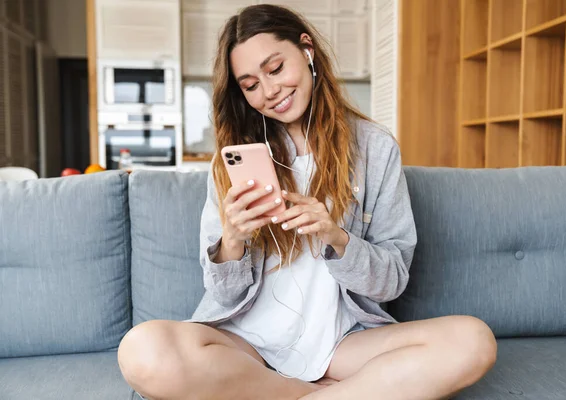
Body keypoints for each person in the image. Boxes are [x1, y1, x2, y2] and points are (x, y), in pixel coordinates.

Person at [117, 4, 497, 400]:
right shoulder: (232, 160)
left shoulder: (374, 148)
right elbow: (225, 297)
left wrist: (338, 238)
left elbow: (392, 281)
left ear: (307, 49)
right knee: (141, 351)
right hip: (246, 343)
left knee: (473, 341)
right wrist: (231, 242)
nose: (268, 91)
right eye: (249, 84)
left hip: (341, 344)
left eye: (275, 68)